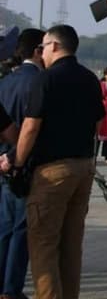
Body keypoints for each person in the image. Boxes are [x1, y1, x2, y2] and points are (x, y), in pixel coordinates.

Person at [3, 25, 103, 299]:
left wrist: (17, 163)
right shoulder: (89, 79)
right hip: (83, 169)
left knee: (43, 245)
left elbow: (30, 127)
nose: (42, 52)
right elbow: (97, 122)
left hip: (52, 172)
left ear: (55, 46)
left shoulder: (45, 79)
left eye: (44, 46)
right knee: (71, 247)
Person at [0, 29, 43, 299]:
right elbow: (34, 129)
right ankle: (11, 289)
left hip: (3, 162)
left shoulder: (5, 81)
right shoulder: (41, 82)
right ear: (38, 51)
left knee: (4, 227)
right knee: (21, 229)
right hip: (26, 163)